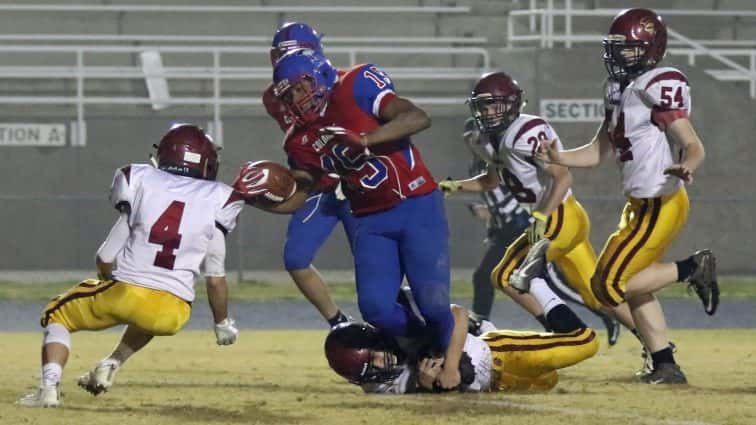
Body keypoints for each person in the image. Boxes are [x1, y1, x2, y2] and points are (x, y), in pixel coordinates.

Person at [536, 8, 718, 384]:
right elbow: (596, 151)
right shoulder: (617, 89)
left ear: (651, 49)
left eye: (629, 49)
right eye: (616, 48)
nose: (619, 56)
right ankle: (665, 364)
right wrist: (558, 156)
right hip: (638, 205)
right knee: (626, 284)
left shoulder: (657, 83)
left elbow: (692, 144)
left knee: (606, 285)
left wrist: (688, 164)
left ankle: (692, 268)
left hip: (661, 201)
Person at [239, 49, 453, 357]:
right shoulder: (299, 139)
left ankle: (455, 357)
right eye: (290, 96)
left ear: (321, 76)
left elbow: (417, 117)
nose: (298, 99)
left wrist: (366, 141)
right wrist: (257, 200)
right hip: (369, 219)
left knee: (433, 302)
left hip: (416, 203)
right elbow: (302, 195)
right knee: (377, 309)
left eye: (302, 87)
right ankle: (426, 350)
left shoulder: (356, 84)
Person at [16, 124, 244, 407]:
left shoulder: (139, 177)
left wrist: (106, 280)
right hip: (174, 311)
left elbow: (106, 256)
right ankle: (111, 363)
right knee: (148, 314)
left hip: (126, 291)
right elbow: (215, 278)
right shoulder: (222, 197)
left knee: (56, 315)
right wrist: (222, 323)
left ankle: (48, 389)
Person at [440, 72, 636, 346]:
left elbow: (563, 176)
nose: (489, 112)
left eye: (495, 104)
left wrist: (541, 216)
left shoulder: (525, 131)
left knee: (504, 274)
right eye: (484, 106)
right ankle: (658, 348)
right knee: (599, 294)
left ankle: (566, 333)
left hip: (560, 215)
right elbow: (490, 181)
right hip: (560, 217)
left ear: (513, 104)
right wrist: (455, 186)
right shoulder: (487, 141)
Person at [461, 117, 621, 345]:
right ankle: (486, 324)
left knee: (548, 280)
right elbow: (490, 185)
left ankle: (578, 324)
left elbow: (527, 187)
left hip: (528, 222)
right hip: (513, 227)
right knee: (496, 276)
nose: (474, 144)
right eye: (470, 140)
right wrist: (454, 187)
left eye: (477, 138)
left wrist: (535, 216)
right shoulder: (486, 161)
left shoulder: (508, 151)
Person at [324, 290, 599, 394]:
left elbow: (458, 315)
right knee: (549, 381)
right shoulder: (375, 384)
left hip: (493, 351)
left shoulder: (399, 322)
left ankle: (535, 282)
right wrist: (426, 383)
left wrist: (452, 366)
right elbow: (431, 392)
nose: (382, 366)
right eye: (370, 370)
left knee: (586, 343)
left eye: (376, 357)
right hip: (490, 385)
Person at [263, 22, 355, 327]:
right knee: (296, 258)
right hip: (318, 183)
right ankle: (338, 322)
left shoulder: (346, 84)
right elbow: (304, 135)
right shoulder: (276, 96)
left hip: (358, 183)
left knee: (376, 268)